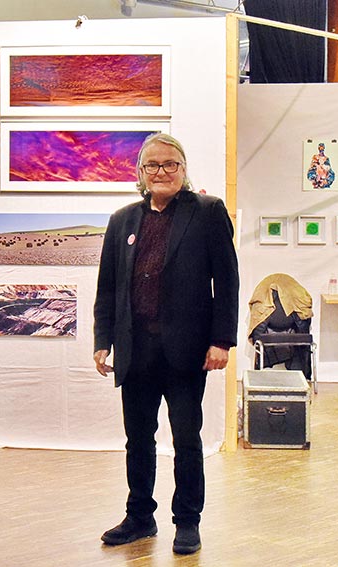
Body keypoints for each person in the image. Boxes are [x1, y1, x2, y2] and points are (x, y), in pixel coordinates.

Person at [93, 133, 239, 555]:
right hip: (135, 350)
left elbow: (227, 281)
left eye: (170, 164)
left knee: (186, 441)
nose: (161, 172)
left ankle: (187, 521)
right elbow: (108, 287)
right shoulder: (122, 220)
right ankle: (140, 517)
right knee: (138, 440)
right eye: (152, 165)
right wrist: (103, 340)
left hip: (186, 352)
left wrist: (221, 340)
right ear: (140, 172)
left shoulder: (207, 212)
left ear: (183, 169)